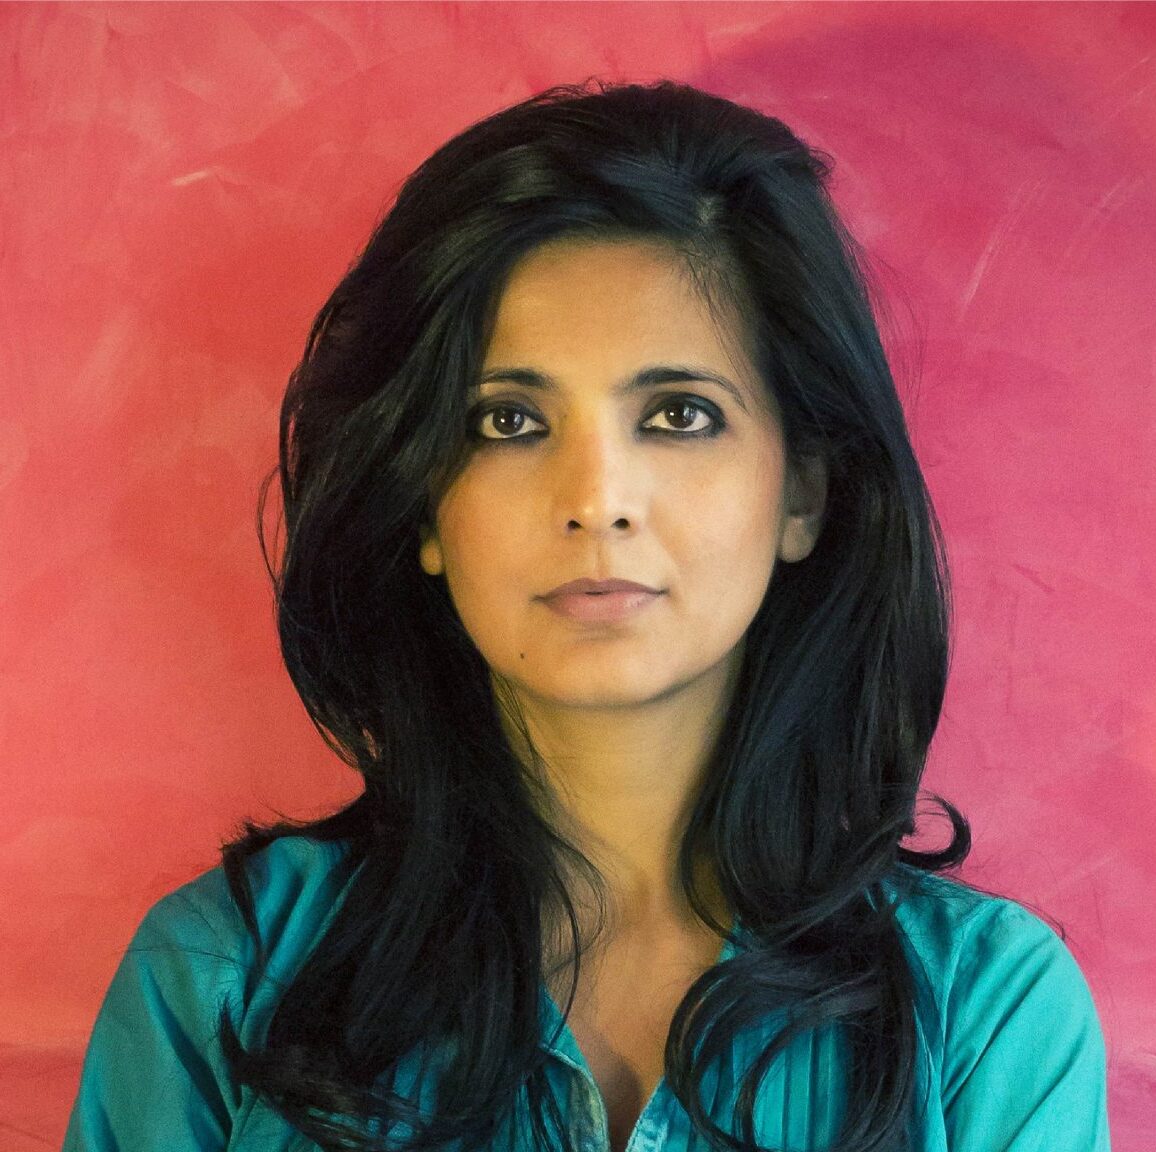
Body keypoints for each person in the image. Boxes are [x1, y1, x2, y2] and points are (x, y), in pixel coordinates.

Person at [63, 81, 1109, 1152]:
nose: (596, 499)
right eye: (508, 421)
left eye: (679, 415)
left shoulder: (986, 1017)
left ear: (800, 493)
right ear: (423, 504)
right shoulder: (221, 977)